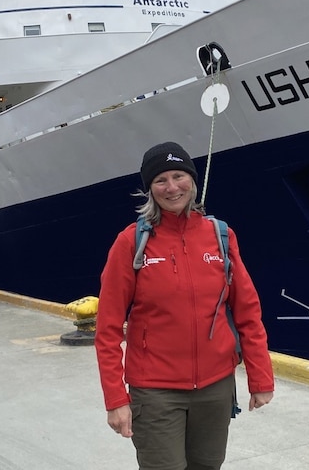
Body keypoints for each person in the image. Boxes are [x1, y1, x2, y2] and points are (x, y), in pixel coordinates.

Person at [95, 142, 274, 470]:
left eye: (179, 176)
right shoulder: (131, 243)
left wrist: (261, 378)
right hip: (155, 391)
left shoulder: (221, 236)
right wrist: (116, 399)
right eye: (161, 180)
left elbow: (248, 312)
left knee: (208, 466)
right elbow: (106, 329)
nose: (172, 187)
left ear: (192, 180)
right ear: (150, 189)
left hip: (216, 387)